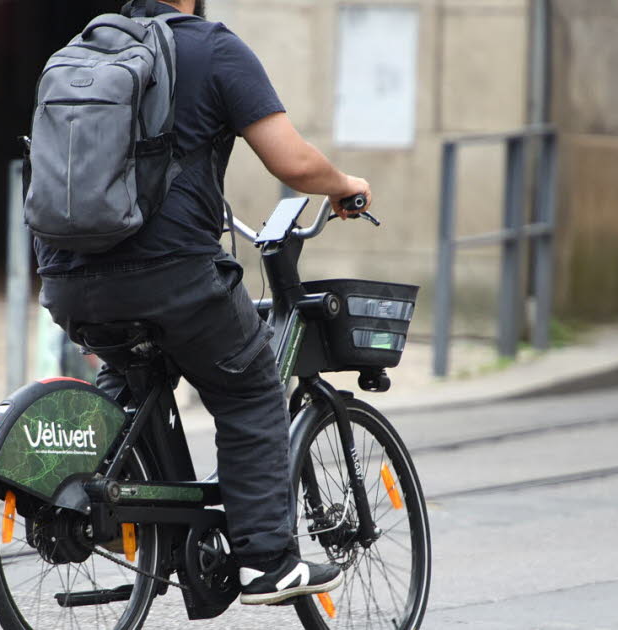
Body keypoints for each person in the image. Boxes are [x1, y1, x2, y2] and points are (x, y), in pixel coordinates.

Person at [35, 0, 372, 606]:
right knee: (251, 387)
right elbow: (292, 161)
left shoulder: (79, 51)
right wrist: (344, 185)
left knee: (131, 375)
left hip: (66, 275)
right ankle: (268, 562)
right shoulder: (214, 48)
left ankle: (112, 504)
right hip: (171, 277)